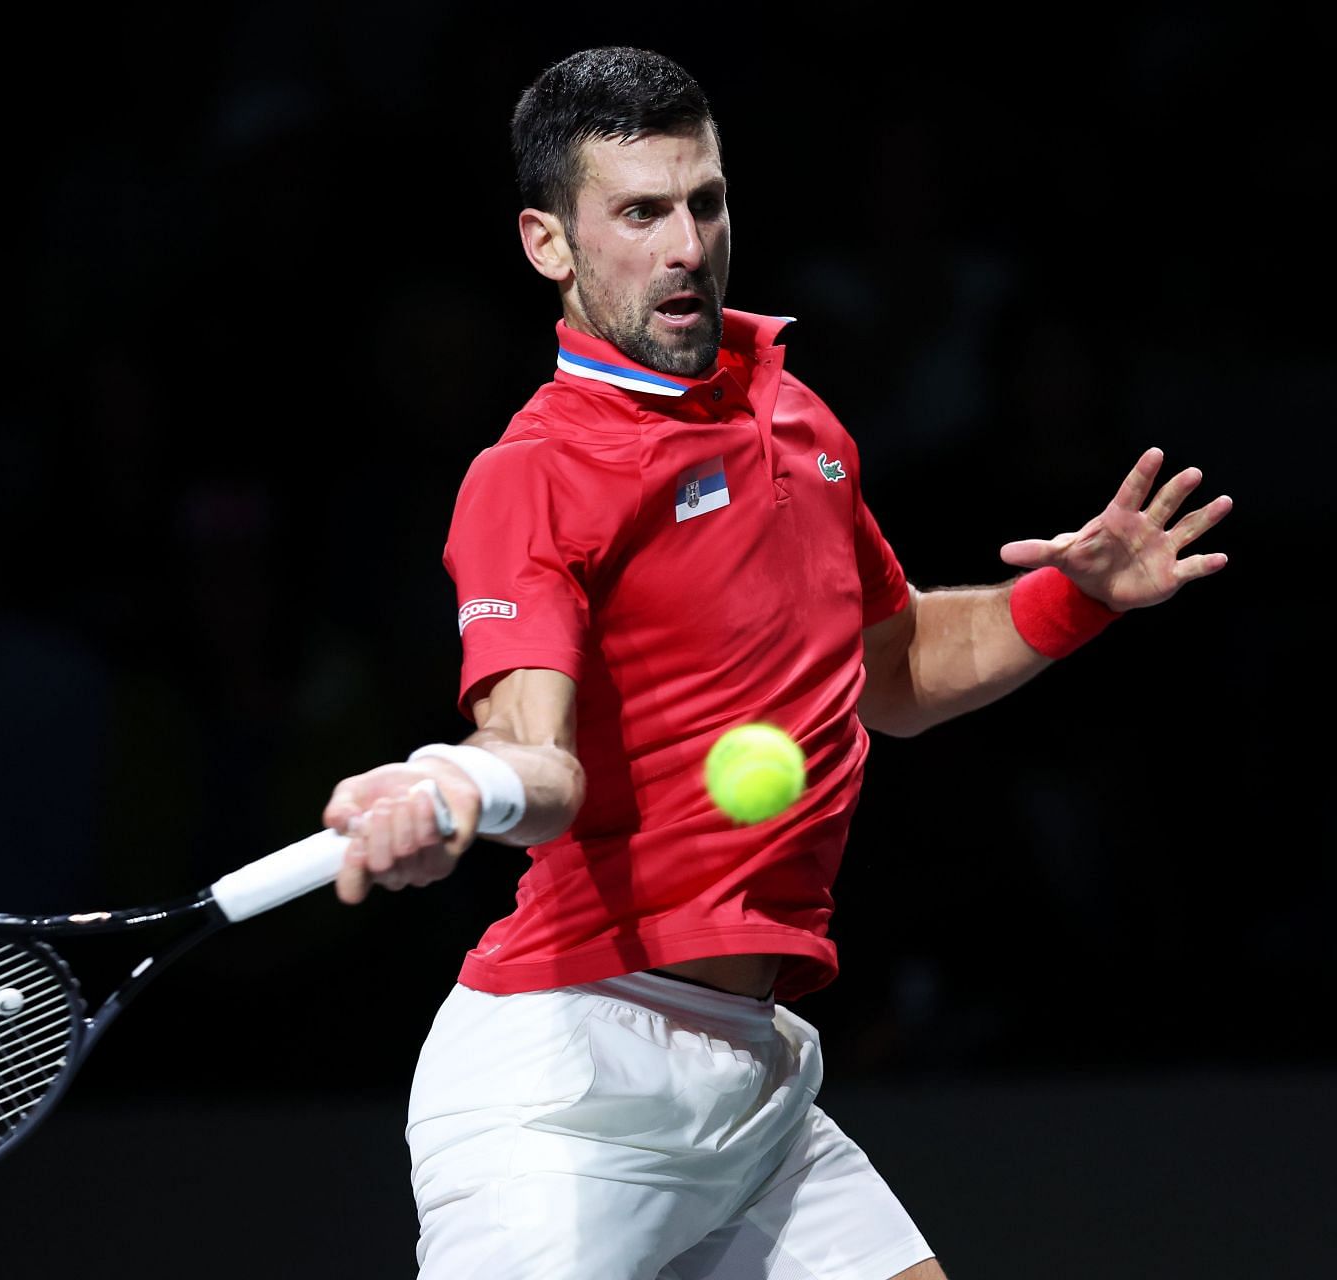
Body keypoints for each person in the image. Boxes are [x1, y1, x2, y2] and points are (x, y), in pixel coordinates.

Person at [321, 46, 1229, 1280]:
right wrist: (454, 789)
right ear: (551, 244)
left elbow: (895, 667)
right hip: (571, 1080)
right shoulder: (531, 474)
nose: (686, 243)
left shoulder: (800, 421)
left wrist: (1072, 597)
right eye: (639, 213)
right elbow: (532, 753)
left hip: (754, 1078)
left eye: (704, 201)